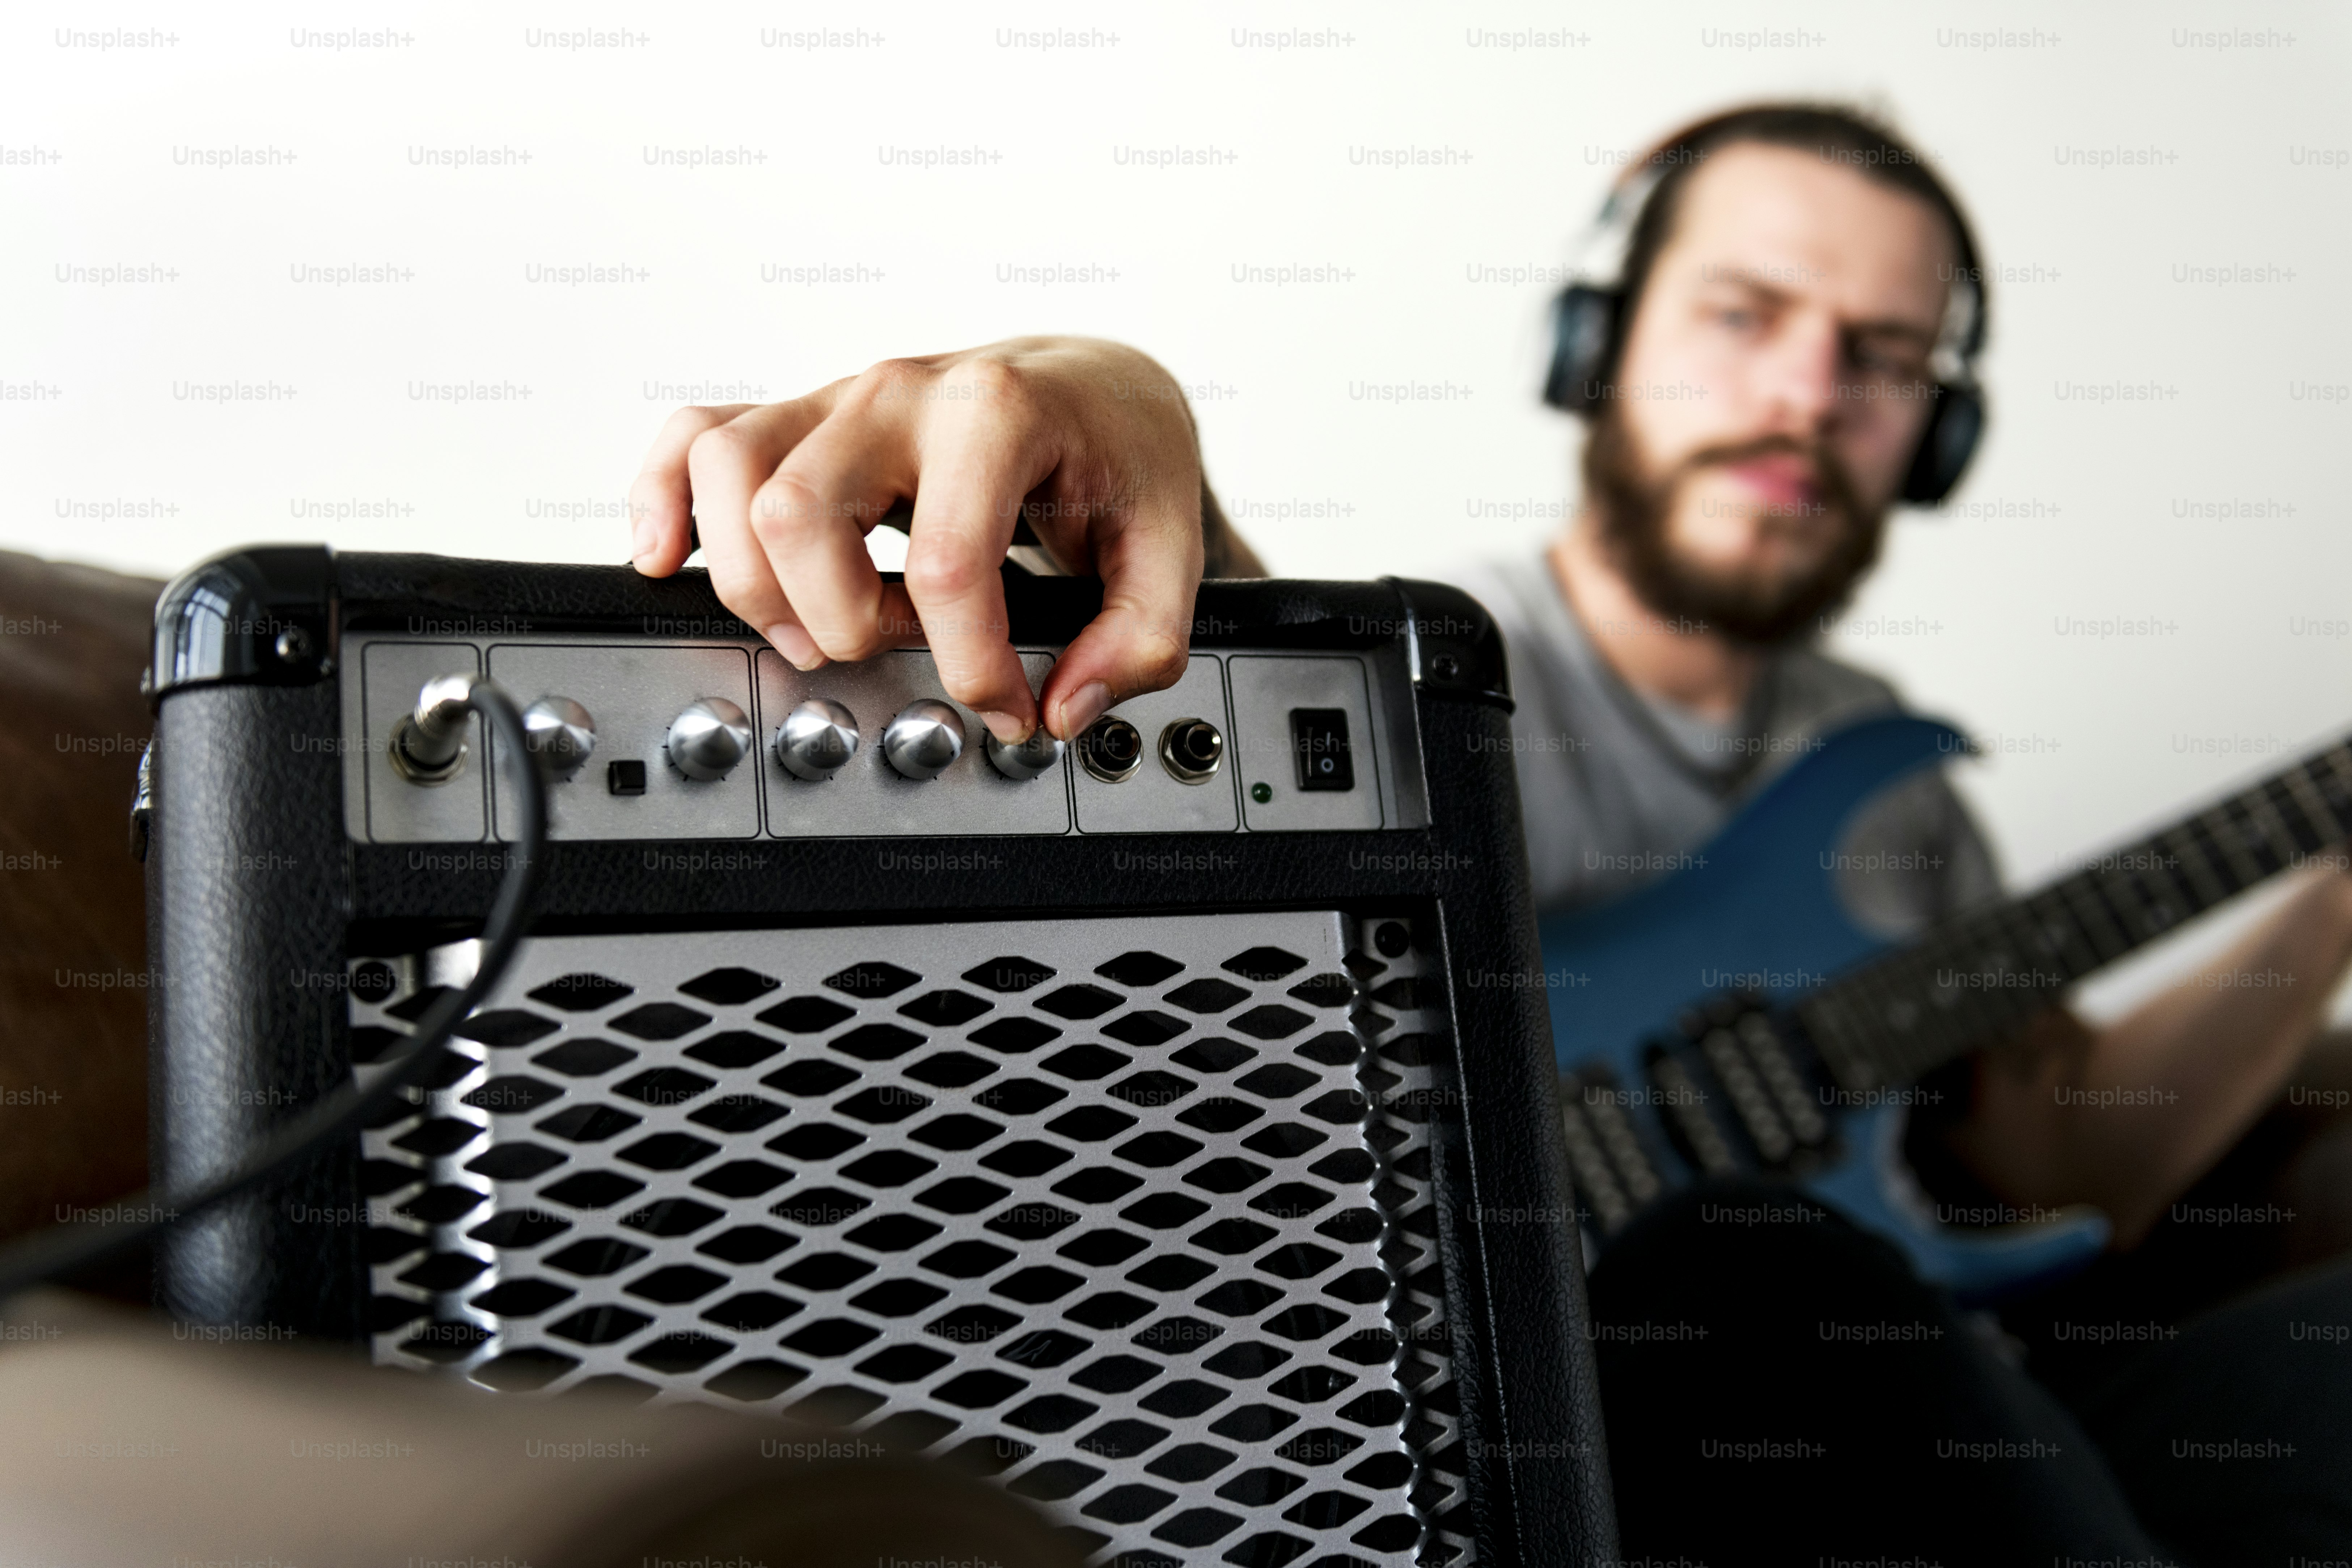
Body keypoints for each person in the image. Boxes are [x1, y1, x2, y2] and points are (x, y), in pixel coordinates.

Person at [627, 103, 2352, 1562]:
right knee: (1744, 1260)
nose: (1810, 393)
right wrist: (1104, 393)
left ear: (1933, 434)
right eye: (1744, 313)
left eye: (1883, 360)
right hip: (1550, 1431)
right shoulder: (1428, 681)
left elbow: (2064, 1164)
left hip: (1949, 1415)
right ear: (1592, 348)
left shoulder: (1889, 785)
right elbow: (1205, 711)